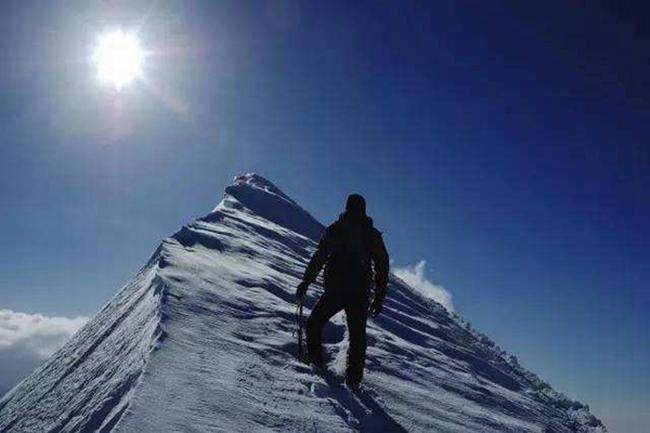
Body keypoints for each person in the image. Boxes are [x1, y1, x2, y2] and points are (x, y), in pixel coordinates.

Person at [296, 193, 389, 389]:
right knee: (358, 337)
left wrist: (306, 281)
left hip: (335, 290)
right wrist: (379, 297)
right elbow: (382, 265)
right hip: (359, 292)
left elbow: (320, 256)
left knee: (314, 323)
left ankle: (316, 364)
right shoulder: (370, 234)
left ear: (346, 207)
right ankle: (353, 381)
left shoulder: (336, 229)